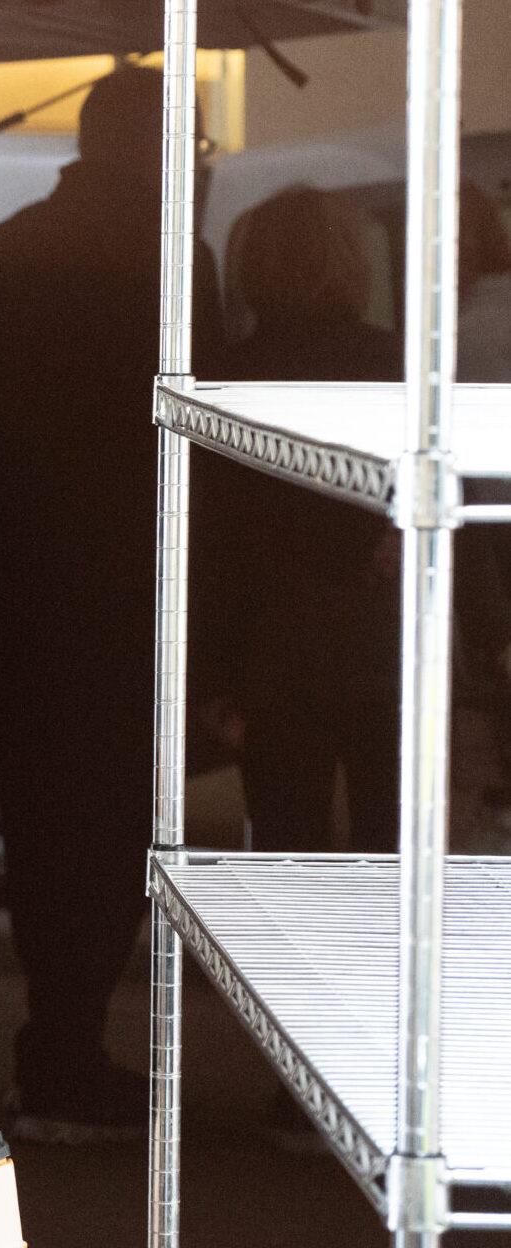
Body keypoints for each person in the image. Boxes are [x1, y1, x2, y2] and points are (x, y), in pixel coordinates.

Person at [0, 63, 222, 1144]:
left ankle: (50, 1050)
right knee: (113, 827)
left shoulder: (4, 249)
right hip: (132, 585)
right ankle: (66, 1055)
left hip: (23, 580)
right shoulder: (169, 259)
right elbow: (199, 436)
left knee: (40, 821)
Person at [203, 185, 399, 853]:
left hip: (275, 651)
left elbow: (215, 543)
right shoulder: (395, 364)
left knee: (289, 849)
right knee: (394, 847)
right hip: (386, 640)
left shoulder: (229, 377)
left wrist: (213, 678)